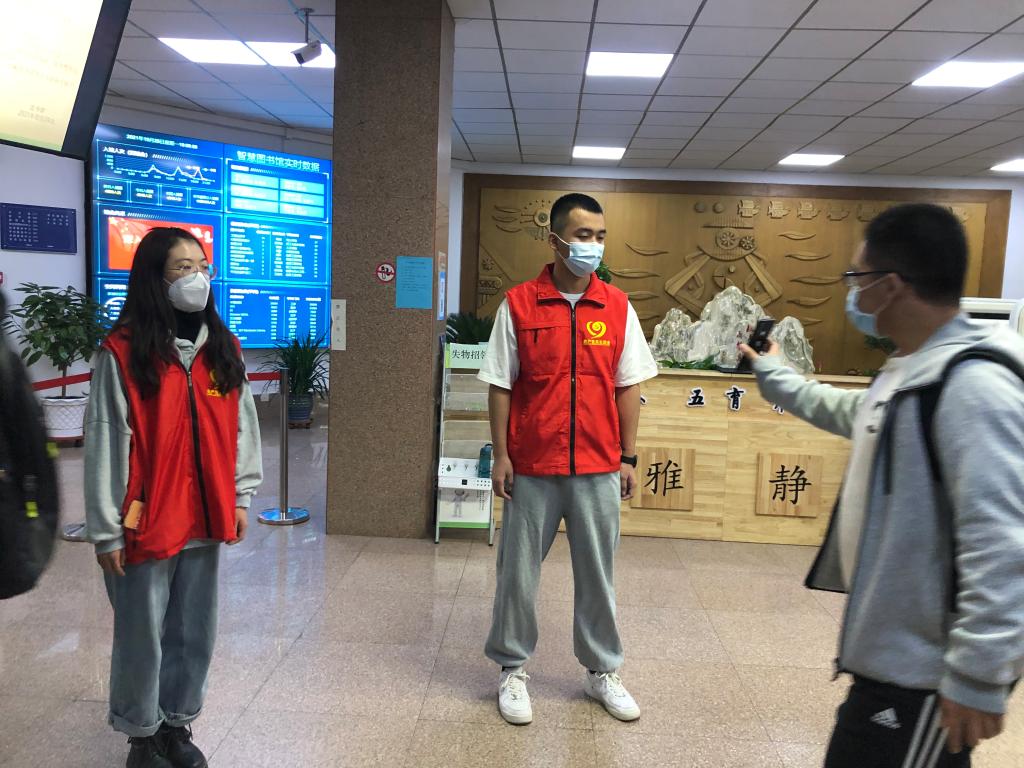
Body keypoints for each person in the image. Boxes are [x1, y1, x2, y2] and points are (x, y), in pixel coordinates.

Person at [739, 203, 1024, 767]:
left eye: (857, 277)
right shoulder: (914, 370)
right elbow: (852, 412)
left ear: (890, 286)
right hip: (890, 667)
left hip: (926, 679)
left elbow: (1004, 544)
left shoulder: (971, 384)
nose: (852, 293)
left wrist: (978, 676)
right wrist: (772, 372)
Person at [85, 227, 263, 768]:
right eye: (182, 268)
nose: (196, 278)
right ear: (153, 279)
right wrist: (106, 530)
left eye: (202, 265)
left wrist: (241, 495)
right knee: (141, 633)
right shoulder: (122, 353)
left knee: (193, 629)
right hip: (145, 520)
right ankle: (141, 734)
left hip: (205, 513)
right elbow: (106, 441)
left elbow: (243, 427)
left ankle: (176, 725)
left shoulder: (223, 348)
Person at [478, 193, 658, 725]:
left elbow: (629, 385)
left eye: (600, 236)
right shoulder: (519, 304)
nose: (593, 246)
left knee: (598, 575)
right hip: (533, 466)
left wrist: (628, 457)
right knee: (517, 575)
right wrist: (502, 455)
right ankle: (512, 669)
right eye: (583, 236)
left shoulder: (617, 306)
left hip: (598, 466)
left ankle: (602, 670)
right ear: (555, 240)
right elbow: (500, 384)